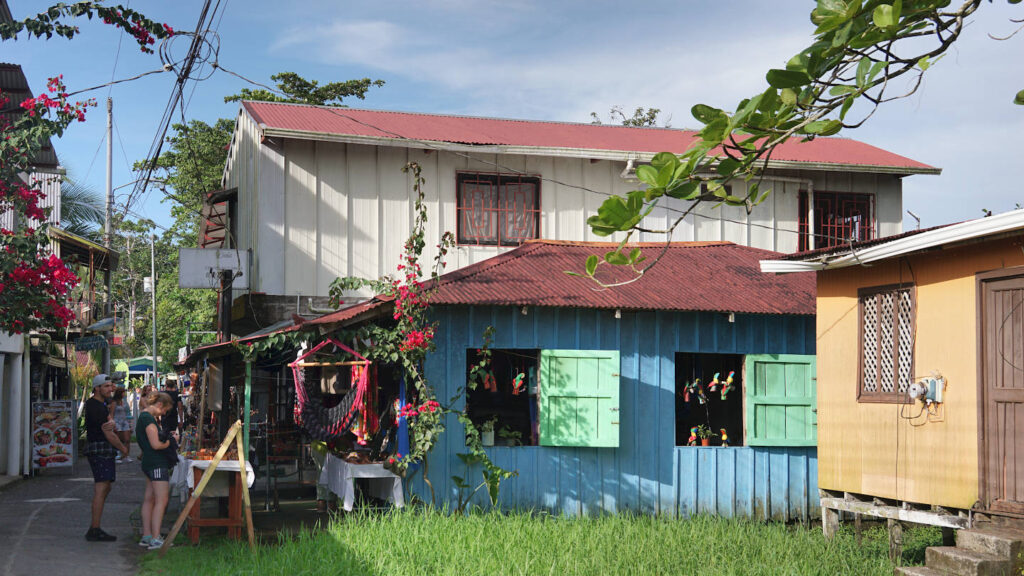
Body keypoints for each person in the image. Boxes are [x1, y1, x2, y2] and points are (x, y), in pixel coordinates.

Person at [83, 374, 130, 542]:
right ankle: (94, 529)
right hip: (100, 449)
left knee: (105, 487)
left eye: (111, 386)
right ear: (97, 388)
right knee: (102, 488)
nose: (111, 389)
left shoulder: (98, 405)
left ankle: (95, 527)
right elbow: (108, 433)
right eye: (107, 386)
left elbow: (110, 425)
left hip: (100, 448)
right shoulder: (96, 406)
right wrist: (123, 448)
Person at [136, 391, 177, 550]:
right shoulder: (148, 420)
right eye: (164, 410)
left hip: (148, 462)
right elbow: (156, 445)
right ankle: (155, 537)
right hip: (157, 463)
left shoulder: (143, 417)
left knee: (149, 499)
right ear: (159, 404)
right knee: (161, 500)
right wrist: (171, 442)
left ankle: (147, 535)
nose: (164, 413)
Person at [109, 387, 134, 463]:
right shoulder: (114, 402)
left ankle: (126, 455)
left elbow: (127, 412)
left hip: (124, 421)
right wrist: (112, 424)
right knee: (118, 440)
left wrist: (130, 423)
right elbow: (112, 413)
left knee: (127, 439)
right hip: (117, 422)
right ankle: (118, 455)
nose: (124, 394)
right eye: (123, 392)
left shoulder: (124, 401)